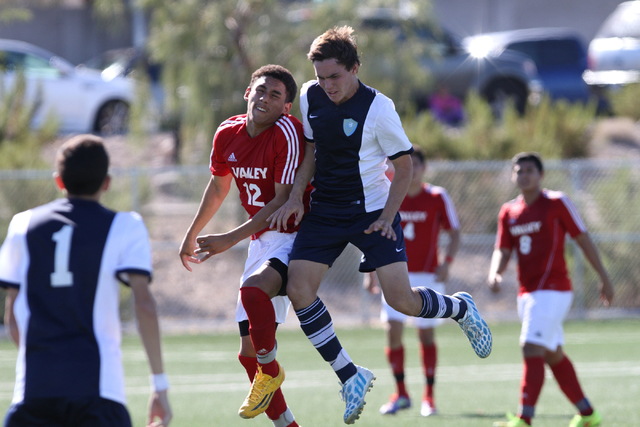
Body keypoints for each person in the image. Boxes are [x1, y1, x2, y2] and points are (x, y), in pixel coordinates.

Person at [266, 26, 492, 425]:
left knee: (400, 302)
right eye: (320, 76)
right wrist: (299, 194)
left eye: (334, 76)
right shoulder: (309, 94)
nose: (327, 85)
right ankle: (349, 375)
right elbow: (311, 149)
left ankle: (460, 308)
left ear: (355, 68)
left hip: (372, 212)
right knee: (299, 289)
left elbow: (403, 167)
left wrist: (387, 218)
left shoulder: (379, 108)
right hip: (325, 211)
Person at [0, 135, 172, 427]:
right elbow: (144, 304)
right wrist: (159, 383)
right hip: (99, 394)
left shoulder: (22, 224)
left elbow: (12, 315)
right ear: (107, 182)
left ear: (59, 181)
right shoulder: (126, 225)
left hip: (34, 396)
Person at [178, 64, 310, 427]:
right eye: (261, 90)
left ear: (286, 107)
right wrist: (193, 233)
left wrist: (227, 239)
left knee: (254, 294)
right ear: (247, 92)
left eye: (276, 95)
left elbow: (282, 201)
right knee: (247, 355)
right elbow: (219, 186)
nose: (265, 98)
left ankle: (274, 371)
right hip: (260, 239)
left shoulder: (287, 131)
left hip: (293, 235)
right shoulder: (227, 132)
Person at [488, 152, 614, 427]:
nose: (524, 175)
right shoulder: (509, 211)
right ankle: (588, 414)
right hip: (527, 293)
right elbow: (503, 249)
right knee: (552, 353)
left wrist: (603, 275)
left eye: (530, 170)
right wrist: (495, 273)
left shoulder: (557, 202)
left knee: (530, 347)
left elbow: (582, 237)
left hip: (554, 289)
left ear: (541, 175)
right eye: (519, 171)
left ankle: (525, 419)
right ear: (513, 176)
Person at [365, 145, 460, 417]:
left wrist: (447, 263)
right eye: (408, 164)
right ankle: (401, 393)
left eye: (417, 164)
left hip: (428, 277)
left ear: (423, 168)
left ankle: (429, 397)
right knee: (393, 331)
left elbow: (454, 233)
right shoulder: (388, 193)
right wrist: (370, 273)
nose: (413, 169)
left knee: (425, 333)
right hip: (393, 275)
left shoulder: (437, 196)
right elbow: (373, 235)